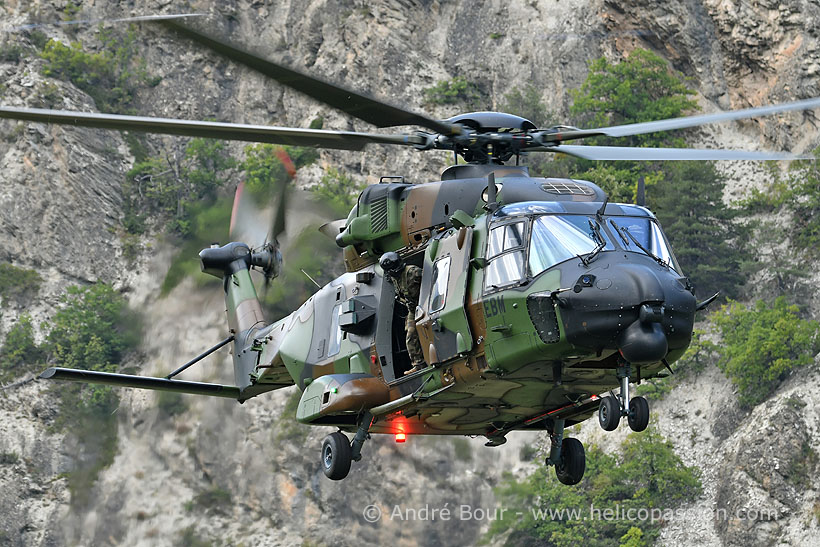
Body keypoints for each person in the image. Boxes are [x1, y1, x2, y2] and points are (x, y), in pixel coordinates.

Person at [379, 252, 425, 375]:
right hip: (412, 309)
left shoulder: (413, 272)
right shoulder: (394, 278)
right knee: (410, 335)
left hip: (425, 303)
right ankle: (418, 364)